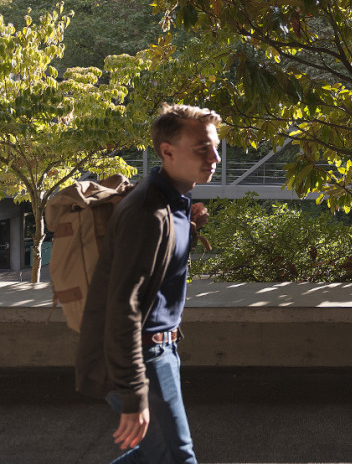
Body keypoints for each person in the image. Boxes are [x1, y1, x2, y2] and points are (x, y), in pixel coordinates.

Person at [76, 104, 221, 463]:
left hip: (161, 350)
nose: (215, 156)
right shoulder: (149, 213)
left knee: (155, 457)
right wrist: (133, 392)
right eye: (202, 147)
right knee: (176, 457)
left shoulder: (173, 202)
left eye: (215, 146)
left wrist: (190, 221)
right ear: (167, 151)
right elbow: (122, 307)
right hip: (143, 356)